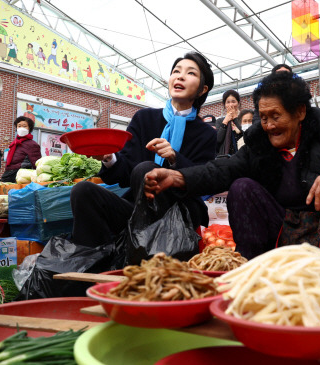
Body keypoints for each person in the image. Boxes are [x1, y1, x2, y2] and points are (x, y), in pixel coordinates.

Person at [144, 72, 320, 258]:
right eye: (264, 116)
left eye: (276, 116)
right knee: (242, 186)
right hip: (284, 224)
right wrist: (177, 177)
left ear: (300, 112)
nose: (268, 125)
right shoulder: (259, 140)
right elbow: (222, 169)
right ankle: (255, 272)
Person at [70, 52, 217, 249]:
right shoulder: (144, 118)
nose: (180, 76)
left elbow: (205, 181)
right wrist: (109, 158)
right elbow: (124, 173)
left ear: (202, 89)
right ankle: (93, 264)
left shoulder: (206, 133)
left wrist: (175, 159)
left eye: (190, 73)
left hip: (181, 215)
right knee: (83, 191)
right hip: (137, 209)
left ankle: (141, 253)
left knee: (146, 169)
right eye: (176, 71)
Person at [1, 116, 42, 183]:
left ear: (29, 128)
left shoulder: (32, 144)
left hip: (21, 177)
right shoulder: (14, 143)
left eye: (24, 126)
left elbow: (36, 164)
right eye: (19, 126)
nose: (21, 128)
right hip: (8, 174)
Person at [215, 90, 243, 156]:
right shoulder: (220, 121)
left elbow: (246, 133)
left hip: (243, 154)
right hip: (226, 157)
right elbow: (218, 139)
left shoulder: (244, 118)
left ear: (238, 103)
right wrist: (225, 121)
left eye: (233, 102)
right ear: (224, 105)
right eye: (228, 102)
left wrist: (235, 118)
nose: (231, 105)